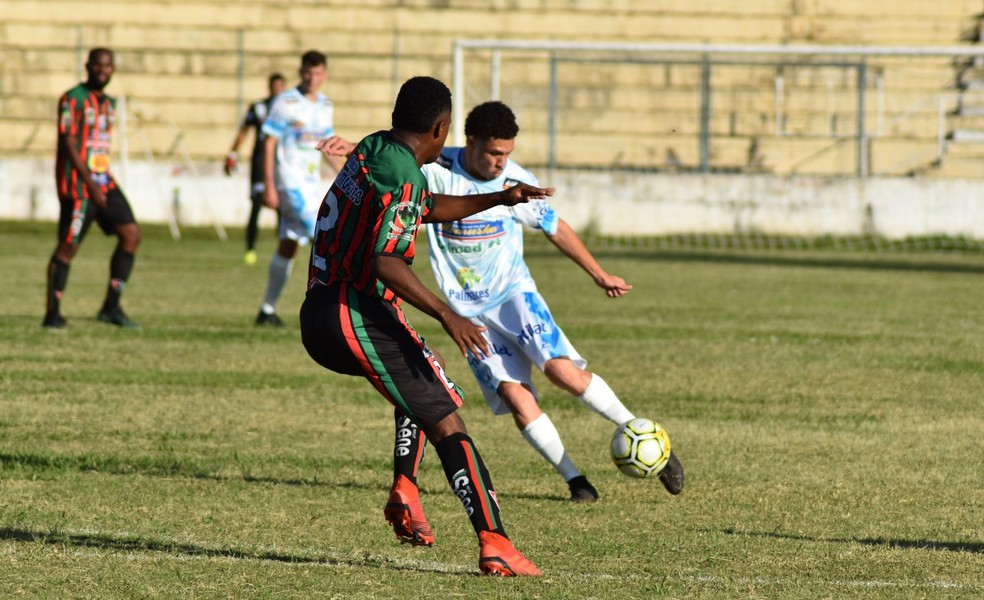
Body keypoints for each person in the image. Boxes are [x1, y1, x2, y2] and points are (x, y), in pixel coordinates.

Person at [301, 76, 552, 576]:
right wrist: (447, 313)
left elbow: (426, 209)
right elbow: (385, 260)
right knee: (449, 421)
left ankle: (406, 491)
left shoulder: (375, 148)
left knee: (423, 386)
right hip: (353, 311)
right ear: (439, 129)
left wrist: (498, 198)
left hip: (325, 311)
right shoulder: (406, 175)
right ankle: (494, 542)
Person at [415, 101, 685, 502]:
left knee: (562, 372)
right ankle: (577, 481)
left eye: (507, 153)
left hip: (514, 296)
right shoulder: (437, 171)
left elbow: (555, 228)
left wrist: (599, 274)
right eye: (493, 153)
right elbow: (392, 159)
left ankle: (645, 435)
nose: (500, 162)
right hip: (469, 314)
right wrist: (350, 150)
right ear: (470, 142)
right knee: (515, 396)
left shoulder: (517, 180)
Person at [43, 47, 141, 330]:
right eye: (98, 64)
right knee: (68, 247)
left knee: (131, 235)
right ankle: (52, 313)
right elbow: (69, 143)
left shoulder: (109, 103)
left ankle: (111, 307)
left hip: (104, 181)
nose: (103, 70)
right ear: (87, 66)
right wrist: (88, 182)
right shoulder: (72, 99)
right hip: (79, 186)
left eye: (108, 65)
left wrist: (101, 179)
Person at [255, 50, 344, 326]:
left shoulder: (326, 105)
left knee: (289, 245)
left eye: (317, 73)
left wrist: (345, 174)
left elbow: (325, 146)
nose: (312, 78)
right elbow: (268, 143)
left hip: (311, 184)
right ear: (300, 71)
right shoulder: (286, 102)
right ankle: (331, 312)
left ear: (324, 75)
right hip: (288, 182)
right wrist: (270, 186)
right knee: (324, 239)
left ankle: (267, 310)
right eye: (307, 72)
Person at [223, 73, 286, 266]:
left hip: (283, 165)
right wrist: (233, 153)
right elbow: (244, 131)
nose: (277, 90)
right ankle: (250, 249)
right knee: (257, 205)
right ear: (269, 87)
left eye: (280, 87)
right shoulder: (259, 108)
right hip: (260, 164)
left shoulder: (290, 109)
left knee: (282, 209)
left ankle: (281, 251)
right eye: (274, 86)